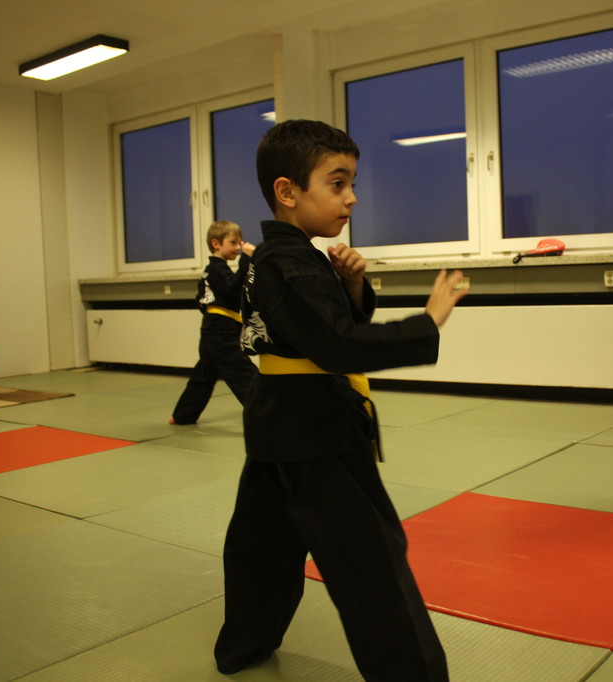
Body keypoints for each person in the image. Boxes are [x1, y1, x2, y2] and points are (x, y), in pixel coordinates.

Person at [213, 119, 467, 681]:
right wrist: (426, 323)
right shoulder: (289, 259)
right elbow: (335, 344)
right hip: (317, 426)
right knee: (372, 562)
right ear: (288, 191)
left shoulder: (285, 257)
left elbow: (311, 330)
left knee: (263, 547)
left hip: (277, 416)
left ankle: (244, 646)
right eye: (337, 182)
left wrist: (351, 288)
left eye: (353, 183)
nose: (351, 197)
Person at [169, 220, 258, 425]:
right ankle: (265, 411)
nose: (238, 247)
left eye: (239, 243)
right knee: (243, 371)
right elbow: (234, 290)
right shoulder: (217, 269)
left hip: (212, 327)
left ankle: (183, 415)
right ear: (216, 244)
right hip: (220, 329)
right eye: (233, 242)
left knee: (205, 374)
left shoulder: (210, 271)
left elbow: (201, 298)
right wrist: (247, 260)